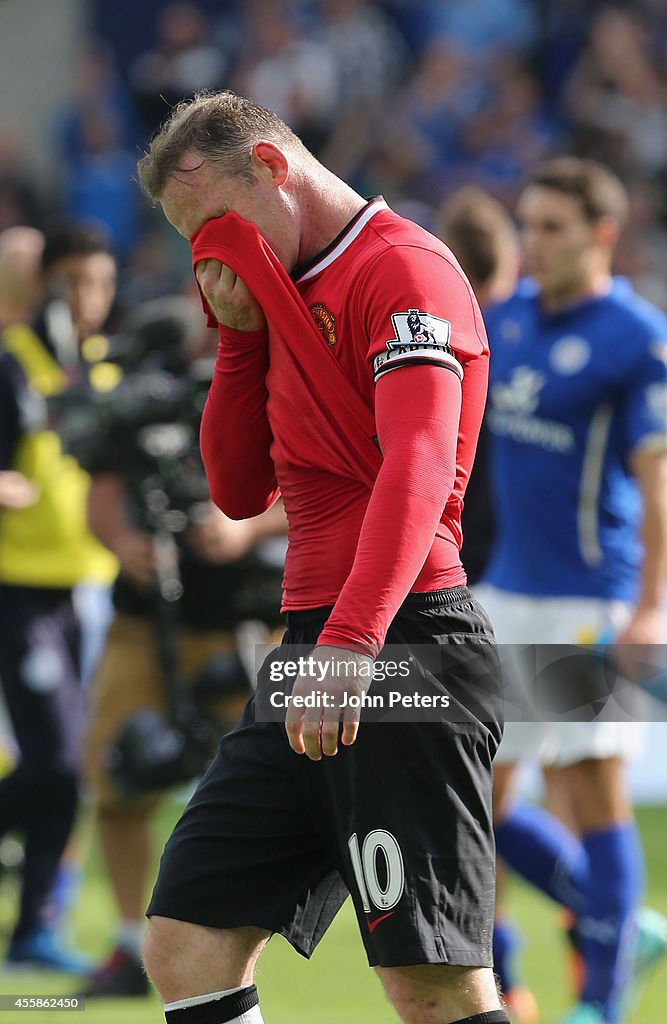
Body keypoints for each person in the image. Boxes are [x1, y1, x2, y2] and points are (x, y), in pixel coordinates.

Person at [135, 90, 509, 1024]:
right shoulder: (279, 292)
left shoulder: (404, 270)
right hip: (312, 645)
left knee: (431, 989)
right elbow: (236, 490)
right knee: (187, 941)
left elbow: (418, 472)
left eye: (217, 221)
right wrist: (237, 344)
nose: (212, 253)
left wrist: (349, 643)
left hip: (400, 643)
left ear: (271, 166)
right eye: (193, 241)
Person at [477, 157, 667, 1024]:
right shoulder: (506, 319)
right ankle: (527, 973)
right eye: (528, 224)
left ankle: (600, 999)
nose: (534, 242)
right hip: (505, 591)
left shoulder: (635, 335)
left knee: (590, 791)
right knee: (472, 800)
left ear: (601, 234)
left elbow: (656, 483)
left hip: (591, 597)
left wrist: (649, 607)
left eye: (552, 227)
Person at [81, 297, 288, 998]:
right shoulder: (140, 400)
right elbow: (102, 491)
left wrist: (246, 530)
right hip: (146, 620)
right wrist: (124, 545)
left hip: (251, 620)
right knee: (117, 776)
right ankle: (122, 942)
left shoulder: (280, 381)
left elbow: (312, 485)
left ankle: (240, 945)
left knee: (284, 789)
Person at [0, 223, 119, 971]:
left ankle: (34, 930)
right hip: (19, 591)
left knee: (71, 767)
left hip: (88, 590)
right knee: (51, 760)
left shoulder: (105, 369)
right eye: (74, 282)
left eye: (101, 283)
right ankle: (36, 922)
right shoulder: (13, 364)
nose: (88, 299)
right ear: (48, 284)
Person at [436, 188, 539, 1024]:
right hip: (511, 588)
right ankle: (515, 974)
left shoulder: (463, 337)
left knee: (478, 796)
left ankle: (613, 917)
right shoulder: (517, 338)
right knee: (491, 793)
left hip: (469, 593)